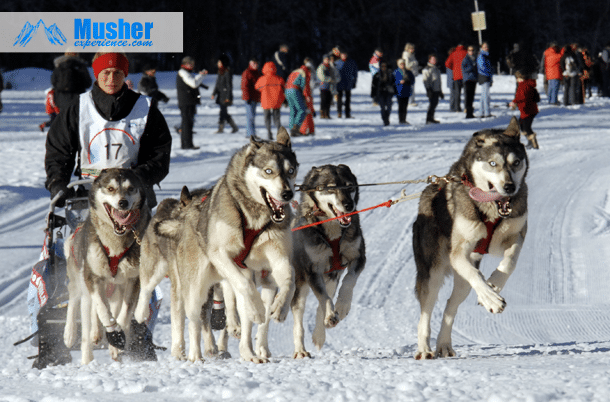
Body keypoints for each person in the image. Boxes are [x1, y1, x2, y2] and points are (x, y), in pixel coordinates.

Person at [40, 51, 172, 368]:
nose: (111, 78)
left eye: (117, 72)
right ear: (96, 75)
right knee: (77, 260)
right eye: (105, 73)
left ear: (125, 75)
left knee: (141, 264)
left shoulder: (145, 110)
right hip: (87, 195)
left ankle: (137, 332)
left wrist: (141, 179)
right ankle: (59, 327)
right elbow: (58, 148)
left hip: (133, 196)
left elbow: (159, 152)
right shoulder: (79, 108)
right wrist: (58, 182)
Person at [176, 56, 208, 149]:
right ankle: (186, 145)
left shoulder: (186, 73)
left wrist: (200, 76)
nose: (193, 65)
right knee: (187, 124)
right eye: (191, 64)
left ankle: (188, 144)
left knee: (189, 124)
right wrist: (201, 75)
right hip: (186, 102)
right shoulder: (183, 72)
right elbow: (193, 84)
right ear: (186, 64)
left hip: (189, 102)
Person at [509, 71, 540, 149]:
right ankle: (530, 141)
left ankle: (533, 143)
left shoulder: (525, 85)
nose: (517, 80)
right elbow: (520, 96)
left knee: (526, 127)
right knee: (522, 125)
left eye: (517, 78)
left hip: (528, 110)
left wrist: (514, 102)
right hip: (526, 110)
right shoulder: (523, 85)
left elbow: (522, 97)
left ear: (521, 78)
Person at [255, 61, 285, 139]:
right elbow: (284, 87)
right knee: (277, 118)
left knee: (267, 118)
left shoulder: (262, 79)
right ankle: (279, 133)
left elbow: (256, 87)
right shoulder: (279, 78)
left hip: (266, 101)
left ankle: (269, 133)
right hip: (276, 101)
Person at [212, 55, 238, 134]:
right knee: (224, 113)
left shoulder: (227, 72)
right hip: (220, 96)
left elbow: (229, 86)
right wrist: (214, 93)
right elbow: (217, 84)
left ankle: (221, 128)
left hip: (225, 96)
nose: (218, 64)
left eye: (219, 62)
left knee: (223, 112)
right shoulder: (220, 72)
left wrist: (228, 97)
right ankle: (234, 127)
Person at [285, 64, 310, 136]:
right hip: (295, 90)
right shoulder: (303, 72)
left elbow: (287, 81)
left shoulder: (293, 72)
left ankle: (292, 128)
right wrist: (306, 96)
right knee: (302, 109)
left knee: (293, 110)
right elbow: (304, 85)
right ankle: (296, 127)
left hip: (287, 90)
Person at [241, 57, 262, 138]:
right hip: (249, 98)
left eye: (256, 63)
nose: (256, 65)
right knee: (250, 116)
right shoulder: (247, 72)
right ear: (250, 64)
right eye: (254, 63)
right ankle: (250, 134)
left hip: (254, 98)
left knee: (252, 116)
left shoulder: (257, 73)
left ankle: (251, 133)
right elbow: (244, 86)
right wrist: (247, 97)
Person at [335, 50, 358, 118]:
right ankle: (339, 112)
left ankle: (347, 113)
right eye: (342, 54)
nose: (344, 56)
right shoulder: (337, 62)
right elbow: (333, 72)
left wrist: (354, 82)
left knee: (348, 99)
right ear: (340, 55)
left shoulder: (351, 62)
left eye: (345, 54)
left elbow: (355, 73)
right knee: (339, 99)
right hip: (339, 83)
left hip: (348, 83)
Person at [371, 61, 395, 126]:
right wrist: (373, 95)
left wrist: (394, 92)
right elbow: (374, 86)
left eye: (385, 66)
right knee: (382, 107)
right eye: (382, 66)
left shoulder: (390, 74)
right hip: (380, 93)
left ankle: (386, 117)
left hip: (388, 93)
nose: (384, 68)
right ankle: (385, 120)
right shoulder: (377, 75)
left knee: (389, 107)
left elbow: (394, 84)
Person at [445, 44, 467, 112]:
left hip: (456, 76)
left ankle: (457, 108)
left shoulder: (453, 53)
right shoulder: (466, 53)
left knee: (457, 93)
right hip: (465, 75)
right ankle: (466, 107)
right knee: (466, 93)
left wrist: (454, 68)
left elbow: (447, 63)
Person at [422, 53, 443, 124]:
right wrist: (428, 89)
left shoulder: (436, 68)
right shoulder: (427, 69)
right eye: (433, 59)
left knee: (435, 103)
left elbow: (438, 80)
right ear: (429, 60)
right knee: (432, 104)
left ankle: (431, 117)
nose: (434, 61)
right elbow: (425, 80)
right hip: (431, 89)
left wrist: (440, 91)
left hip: (436, 89)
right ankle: (428, 118)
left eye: (435, 59)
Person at [393, 59, 414, 124]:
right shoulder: (396, 72)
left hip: (406, 91)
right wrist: (399, 82)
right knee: (400, 106)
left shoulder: (408, 72)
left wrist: (407, 81)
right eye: (401, 64)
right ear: (398, 65)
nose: (402, 65)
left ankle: (404, 119)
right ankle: (401, 119)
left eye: (403, 64)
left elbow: (413, 80)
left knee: (405, 106)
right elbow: (393, 81)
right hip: (399, 91)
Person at [317, 54, 337, 119]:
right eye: (326, 59)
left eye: (328, 59)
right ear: (323, 60)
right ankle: (322, 114)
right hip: (323, 87)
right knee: (323, 100)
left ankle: (327, 114)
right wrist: (330, 79)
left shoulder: (330, 67)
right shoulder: (321, 67)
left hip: (330, 87)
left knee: (329, 101)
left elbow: (334, 75)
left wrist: (334, 79)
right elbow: (321, 77)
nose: (327, 60)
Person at [477, 42, 493, 118]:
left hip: (486, 77)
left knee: (484, 95)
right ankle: (486, 112)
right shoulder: (481, 56)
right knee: (486, 95)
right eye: (485, 47)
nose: (486, 48)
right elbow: (482, 67)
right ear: (482, 47)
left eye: (487, 46)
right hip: (484, 76)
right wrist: (488, 73)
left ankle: (482, 112)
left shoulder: (486, 56)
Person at [300, 58, 316, 135]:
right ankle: (308, 130)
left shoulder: (303, 74)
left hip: (306, 96)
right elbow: (305, 87)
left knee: (307, 114)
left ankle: (306, 130)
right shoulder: (305, 76)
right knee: (308, 114)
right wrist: (307, 96)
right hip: (306, 96)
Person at [461, 45, 478, 119]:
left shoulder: (475, 58)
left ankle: (471, 112)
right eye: (470, 50)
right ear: (467, 51)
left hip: (473, 79)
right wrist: (472, 67)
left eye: (472, 50)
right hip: (467, 80)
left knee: (472, 96)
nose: (471, 52)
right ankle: (468, 112)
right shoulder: (466, 59)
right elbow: (464, 69)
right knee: (468, 97)